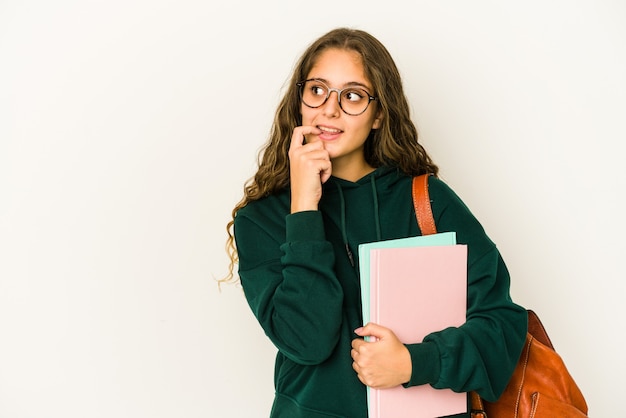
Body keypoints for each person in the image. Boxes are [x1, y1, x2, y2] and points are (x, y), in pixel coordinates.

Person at [222, 27, 527, 418]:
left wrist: (416, 363)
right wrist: (303, 209)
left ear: (380, 113)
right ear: (299, 100)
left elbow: (502, 324)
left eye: (352, 96)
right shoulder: (262, 219)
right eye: (317, 90)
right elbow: (307, 341)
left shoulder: (428, 201)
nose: (329, 110)